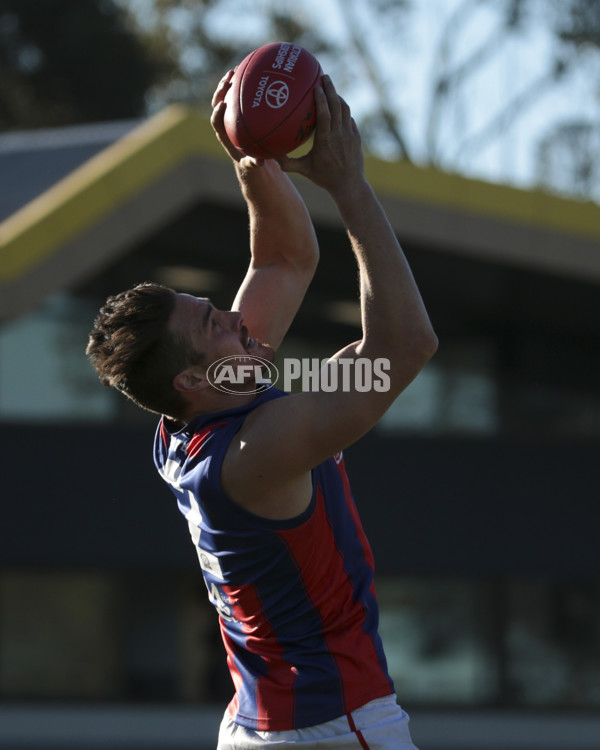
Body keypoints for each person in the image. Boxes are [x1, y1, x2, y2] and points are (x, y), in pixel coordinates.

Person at [87, 70, 437, 749]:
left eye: (214, 307)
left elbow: (282, 258)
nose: (235, 317)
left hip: (264, 725)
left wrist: (253, 160)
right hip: (331, 729)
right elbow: (404, 345)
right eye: (213, 323)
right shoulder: (256, 451)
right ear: (193, 375)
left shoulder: (185, 418)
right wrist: (349, 186)